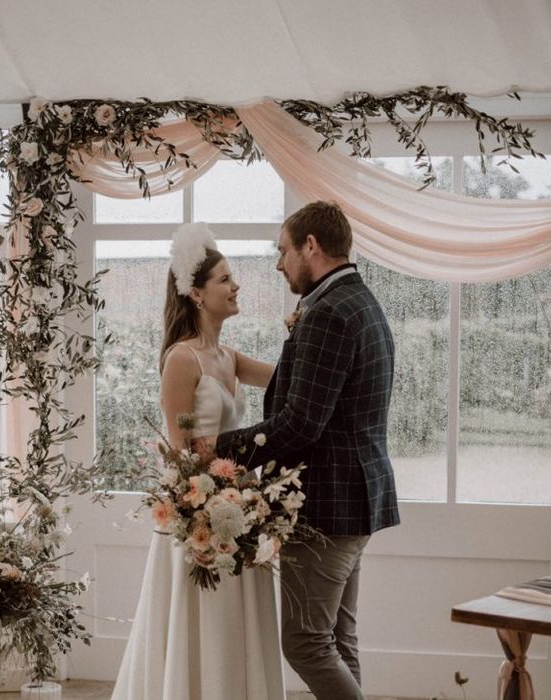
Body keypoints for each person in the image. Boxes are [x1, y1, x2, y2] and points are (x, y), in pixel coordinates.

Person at [202, 201, 400, 700]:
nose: (278, 263)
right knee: (336, 637)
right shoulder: (359, 301)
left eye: (283, 250)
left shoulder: (329, 313)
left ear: (311, 246)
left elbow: (299, 424)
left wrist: (217, 450)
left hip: (330, 506)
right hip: (357, 499)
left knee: (307, 643)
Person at [110, 222, 285, 700]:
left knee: (234, 621)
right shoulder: (182, 359)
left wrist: (306, 331)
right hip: (199, 512)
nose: (236, 286)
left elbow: (289, 379)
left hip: (240, 508)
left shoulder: (228, 356)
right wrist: (216, 489)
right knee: (200, 620)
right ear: (196, 294)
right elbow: (180, 450)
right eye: (225, 280)